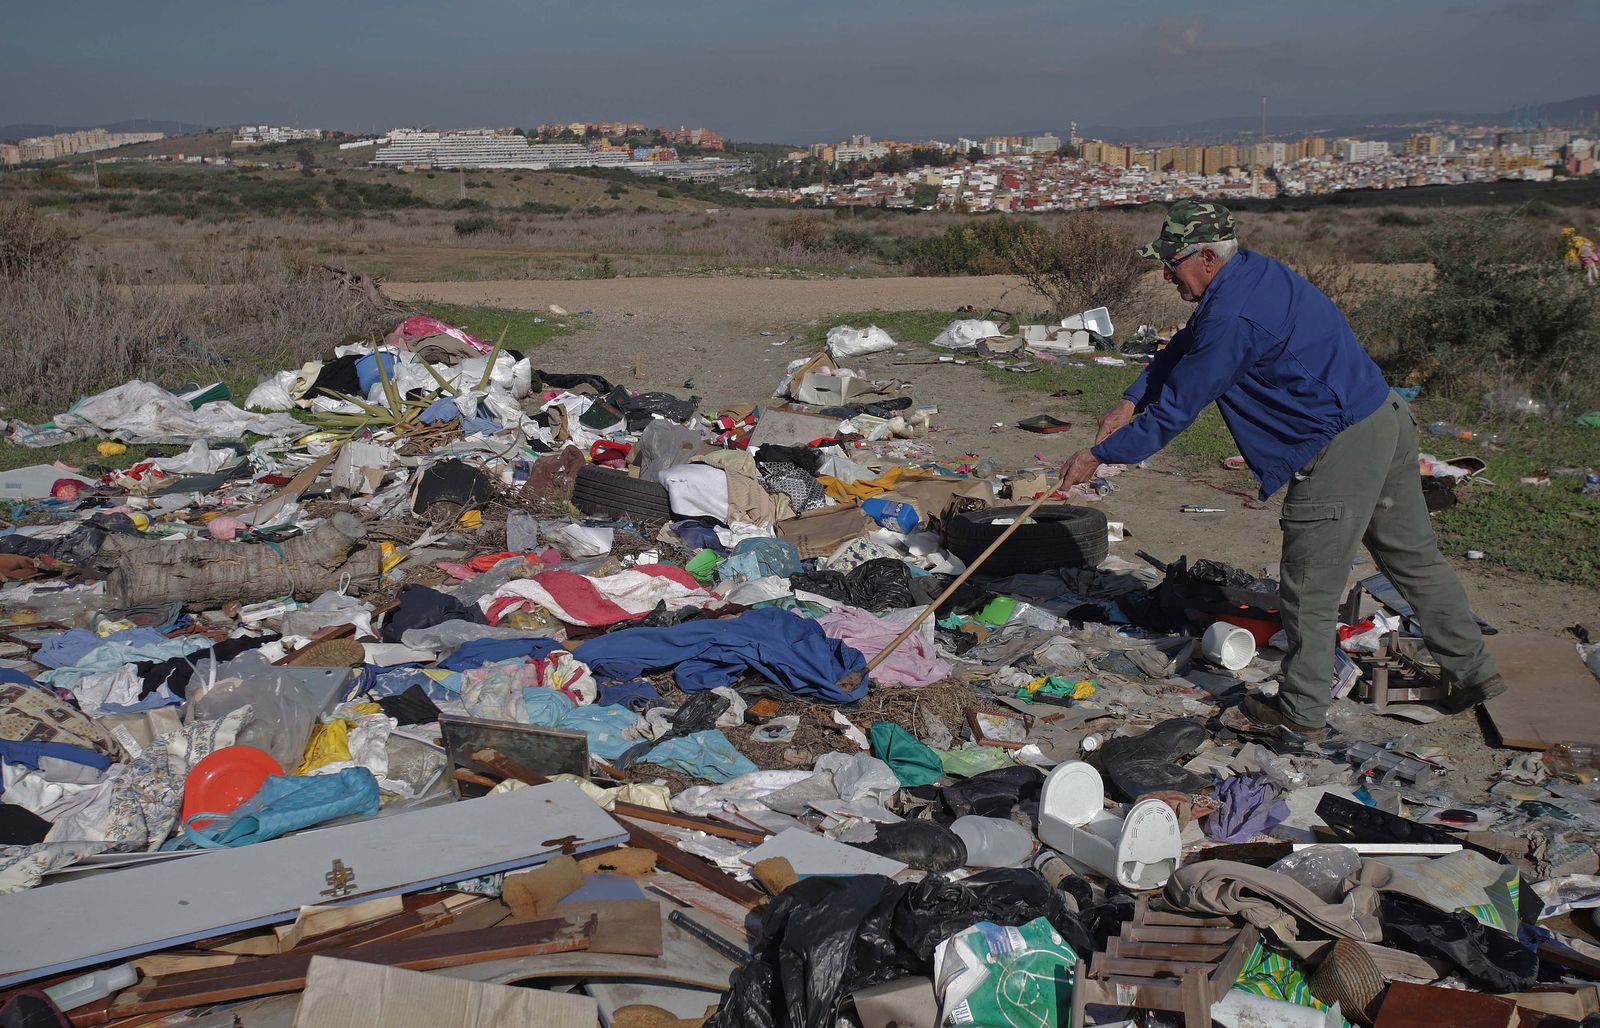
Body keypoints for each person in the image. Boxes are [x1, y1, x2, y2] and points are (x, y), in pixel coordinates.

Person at [1055, 200, 1504, 737]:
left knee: (1309, 588)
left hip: (1339, 445)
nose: (1166, 273)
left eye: (1171, 262)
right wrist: (1128, 401)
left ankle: (1301, 712)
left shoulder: (1231, 316)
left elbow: (1178, 408)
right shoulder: (1251, 274)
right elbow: (1183, 347)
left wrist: (1099, 455)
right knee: (1414, 560)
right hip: (1383, 417)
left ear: (1206, 258)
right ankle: (1474, 673)